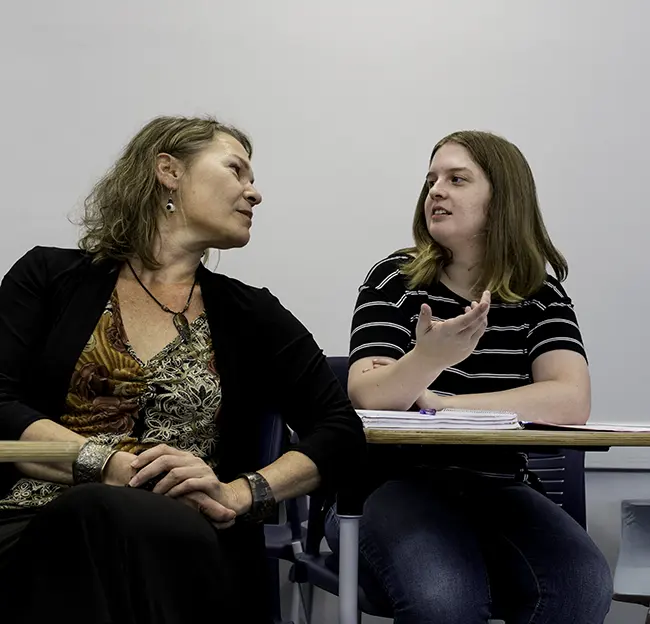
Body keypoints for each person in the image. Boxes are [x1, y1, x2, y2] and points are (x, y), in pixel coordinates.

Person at [0, 115, 366, 624]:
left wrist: (238, 493)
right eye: (236, 170)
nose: (253, 193)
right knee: (95, 513)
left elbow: (340, 432)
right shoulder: (49, 277)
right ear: (168, 170)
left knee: (126, 530)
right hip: (35, 526)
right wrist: (105, 465)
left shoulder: (251, 314)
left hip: (185, 535)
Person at [325, 130, 613, 623]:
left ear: (503, 199)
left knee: (582, 586)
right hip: (394, 487)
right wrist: (429, 357)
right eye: (431, 179)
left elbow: (570, 399)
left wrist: (445, 403)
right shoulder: (395, 279)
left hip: (499, 485)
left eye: (457, 179)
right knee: (446, 601)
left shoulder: (537, 291)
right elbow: (368, 395)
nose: (436, 191)